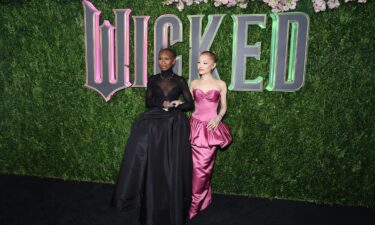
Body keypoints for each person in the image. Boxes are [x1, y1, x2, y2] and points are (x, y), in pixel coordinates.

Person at [112, 48, 194, 225]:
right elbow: (148, 102)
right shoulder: (153, 79)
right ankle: (138, 192)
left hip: (173, 121)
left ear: (173, 61)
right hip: (155, 119)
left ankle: (171, 195)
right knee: (140, 142)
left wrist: (177, 104)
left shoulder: (180, 80)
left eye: (167, 59)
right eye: (160, 58)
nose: (163, 62)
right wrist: (161, 102)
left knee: (171, 161)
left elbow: (190, 104)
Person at [188, 51, 232, 220]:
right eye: (199, 62)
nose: (200, 65)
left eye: (205, 63)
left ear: (213, 65)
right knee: (193, 168)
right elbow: (189, 103)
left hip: (210, 129)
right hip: (194, 127)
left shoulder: (220, 84)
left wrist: (219, 117)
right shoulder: (193, 82)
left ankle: (195, 204)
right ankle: (204, 197)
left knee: (202, 168)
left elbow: (223, 107)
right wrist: (177, 103)